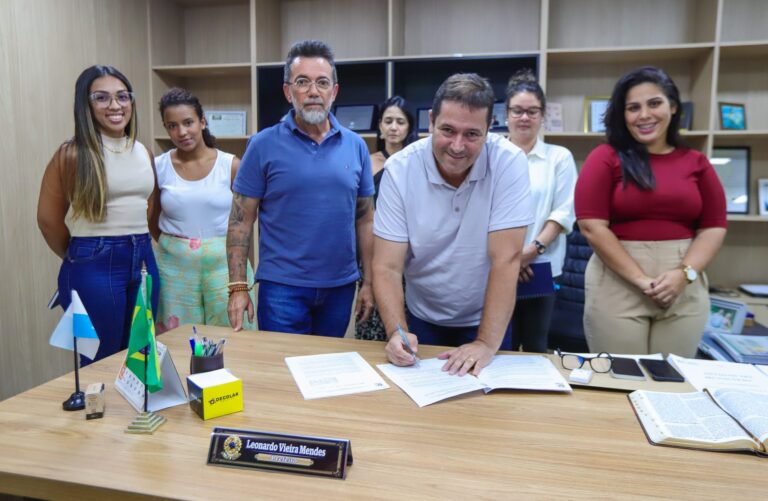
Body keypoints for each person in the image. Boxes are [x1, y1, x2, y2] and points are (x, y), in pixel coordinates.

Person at [373, 73, 533, 376]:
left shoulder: (509, 162)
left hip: (487, 319)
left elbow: (506, 259)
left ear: (489, 129)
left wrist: (485, 343)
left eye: (472, 134)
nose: (457, 146)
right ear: (431, 121)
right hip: (422, 317)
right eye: (447, 130)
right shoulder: (400, 170)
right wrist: (397, 332)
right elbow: (387, 266)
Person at [575, 66, 727, 357]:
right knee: (622, 376)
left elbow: (714, 226)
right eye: (633, 108)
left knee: (672, 376)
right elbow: (591, 227)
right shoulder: (604, 158)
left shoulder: (696, 162)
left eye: (654, 103)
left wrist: (684, 274)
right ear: (623, 115)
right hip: (618, 283)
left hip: (683, 283)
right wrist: (642, 280)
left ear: (673, 106)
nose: (644, 115)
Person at [227, 40, 375, 336]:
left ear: (334, 91)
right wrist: (238, 287)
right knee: (282, 365)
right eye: (302, 82)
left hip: (339, 288)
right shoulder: (262, 145)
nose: (313, 91)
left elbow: (366, 219)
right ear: (288, 91)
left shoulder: (356, 146)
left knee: (328, 365)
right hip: (281, 289)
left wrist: (369, 282)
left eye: (322, 82)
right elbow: (240, 221)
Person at [37, 65, 160, 363]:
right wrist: (81, 257)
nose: (115, 105)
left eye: (122, 96)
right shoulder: (71, 154)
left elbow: (148, 205)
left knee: (140, 357)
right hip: (94, 262)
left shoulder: (142, 151)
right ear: (86, 105)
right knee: (100, 360)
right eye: (102, 98)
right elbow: (48, 220)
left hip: (143, 257)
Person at [154, 88, 255, 333]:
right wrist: (179, 247)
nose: (182, 132)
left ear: (202, 121)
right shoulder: (158, 167)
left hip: (223, 265)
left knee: (233, 334)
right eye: (172, 126)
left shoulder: (230, 165)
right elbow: (151, 217)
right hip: (174, 269)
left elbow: (246, 222)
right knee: (176, 338)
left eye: (188, 122)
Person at [505, 69, 578, 352]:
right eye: (518, 110)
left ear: (542, 115)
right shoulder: (491, 155)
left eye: (532, 111)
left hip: (541, 266)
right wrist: (511, 258)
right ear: (506, 114)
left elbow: (563, 212)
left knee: (536, 345)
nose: (524, 117)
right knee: (501, 345)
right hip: (498, 265)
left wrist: (530, 252)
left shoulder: (559, 158)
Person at [356, 95, 416, 341]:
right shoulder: (368, 162)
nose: (393, 127)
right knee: (371, 315)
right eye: (388, 121)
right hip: (372, 248)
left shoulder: (416, 163)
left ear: (409, 126)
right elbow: (361, 214)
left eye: (400, 122)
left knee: (406, 316)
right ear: (379, 125)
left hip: (408, 253)